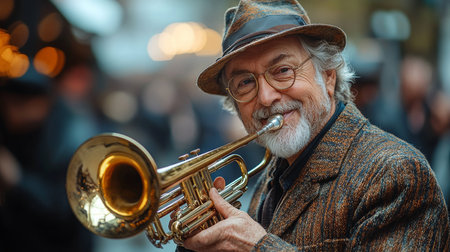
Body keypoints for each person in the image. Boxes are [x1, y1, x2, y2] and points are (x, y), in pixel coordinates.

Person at [176, 0, 449, 251]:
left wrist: (256, 246)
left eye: (283, 70)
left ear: (328, 77)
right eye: (245, 83)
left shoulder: (395, 172)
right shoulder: (275, 173)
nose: (266, 97)